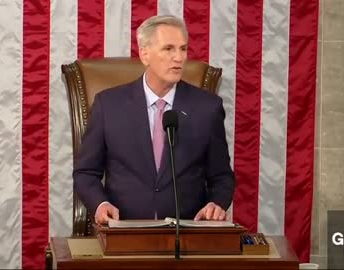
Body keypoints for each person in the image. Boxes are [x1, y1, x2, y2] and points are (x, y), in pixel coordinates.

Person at [73, 15, 235, 225]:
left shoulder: (207, 107)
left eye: (183, 49)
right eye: (168, 49)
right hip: (124, 233)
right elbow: (85, 172)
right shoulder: (109, 105)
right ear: (145, 54)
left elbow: (221, 176)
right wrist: (100, 204)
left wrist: (216, 203)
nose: (179, 58)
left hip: (186, 235)